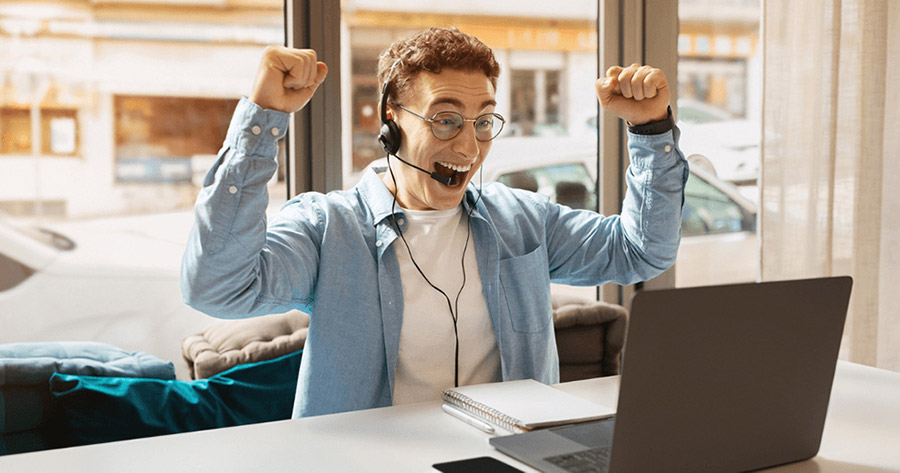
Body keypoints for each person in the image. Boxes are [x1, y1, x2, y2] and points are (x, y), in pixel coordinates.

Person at [181, 27, 687, 418]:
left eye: (483, 121)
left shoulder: (522, 219)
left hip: (509, 458)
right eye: (445, 120)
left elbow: (641, 251)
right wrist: (262, 118)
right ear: (390, 121)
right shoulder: (328, 228)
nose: (468, 148)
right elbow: (217, 287)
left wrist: (651, 131)